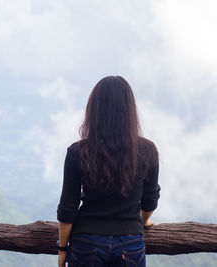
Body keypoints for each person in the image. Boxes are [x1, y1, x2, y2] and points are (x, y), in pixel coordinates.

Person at [56, 76, 160, 267]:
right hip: (130, 243)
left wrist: (62, 249)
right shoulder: (147, 151)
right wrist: (142, 221)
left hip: (86, 243)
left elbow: (67, 209)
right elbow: (150, 200)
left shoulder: (77, 152)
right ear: (129, 111)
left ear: (94, 110)